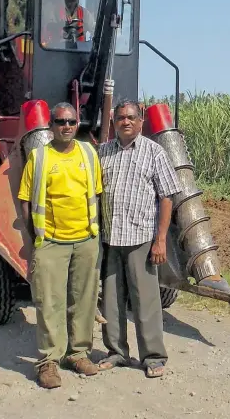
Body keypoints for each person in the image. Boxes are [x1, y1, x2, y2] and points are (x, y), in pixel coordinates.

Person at [18, 102, 103, 389]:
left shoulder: (89, 153)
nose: (66, 126)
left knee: (84, 301)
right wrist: (33, 240)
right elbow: (25, 202)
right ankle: (49, 361)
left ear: (77, 124)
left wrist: (95, 235)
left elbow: (98, 195)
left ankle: (77, 354)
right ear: (51, 126)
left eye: (70, 121)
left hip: (85, 240)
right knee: (48, 303)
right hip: (51, 242)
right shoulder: (39, 157)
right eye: (59, 121)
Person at [97, 99, 182, 378]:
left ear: (141, 121)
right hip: (110, 240)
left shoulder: (154, 153)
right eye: (121, 117)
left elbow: (167, 197)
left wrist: (160, 241)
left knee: (145, 300)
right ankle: (116, 352)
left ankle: (153, 356)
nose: (126, 122)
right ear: (113, 122)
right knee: (111, 300)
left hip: (141, 240)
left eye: (131, 117)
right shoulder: (103, 153)